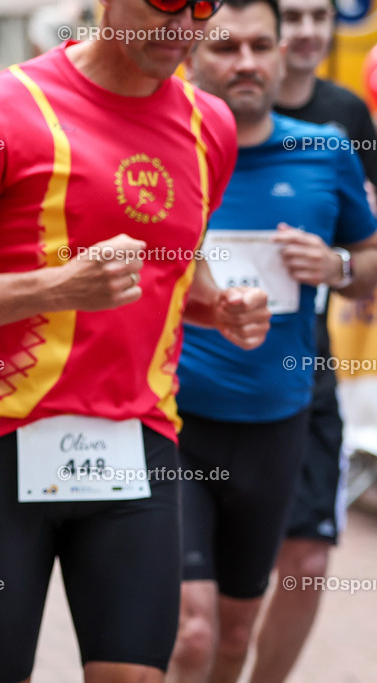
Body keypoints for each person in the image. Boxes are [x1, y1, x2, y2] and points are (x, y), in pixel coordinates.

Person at [0, 0, 272, 680]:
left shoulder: (211, 124)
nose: (183, 28)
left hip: (137, 437)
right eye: (163, 7)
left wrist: (220, 307)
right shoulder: (0, 109)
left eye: (202, 9)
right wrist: (54, 289)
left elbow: (175, 265)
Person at [167, 1, 377, 681]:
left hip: (280, 418)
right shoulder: (164, 150)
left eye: (262, 45)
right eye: (227, 47)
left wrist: (338, 265)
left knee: (232, 635)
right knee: (191, 631)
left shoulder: (326, 149)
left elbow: (368, 257)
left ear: (285, 53)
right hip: (174, 420)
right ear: (193, 54)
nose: (248, 63)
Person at [250, 1, 377, 679]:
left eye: (317, 15)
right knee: (202, 604)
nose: (305, 30)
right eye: (290, 15)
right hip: (195, 379)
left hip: (306, 371)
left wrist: (343, 266)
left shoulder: (344, 117)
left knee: (304, 557)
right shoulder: (202, 110)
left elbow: (367, 248)